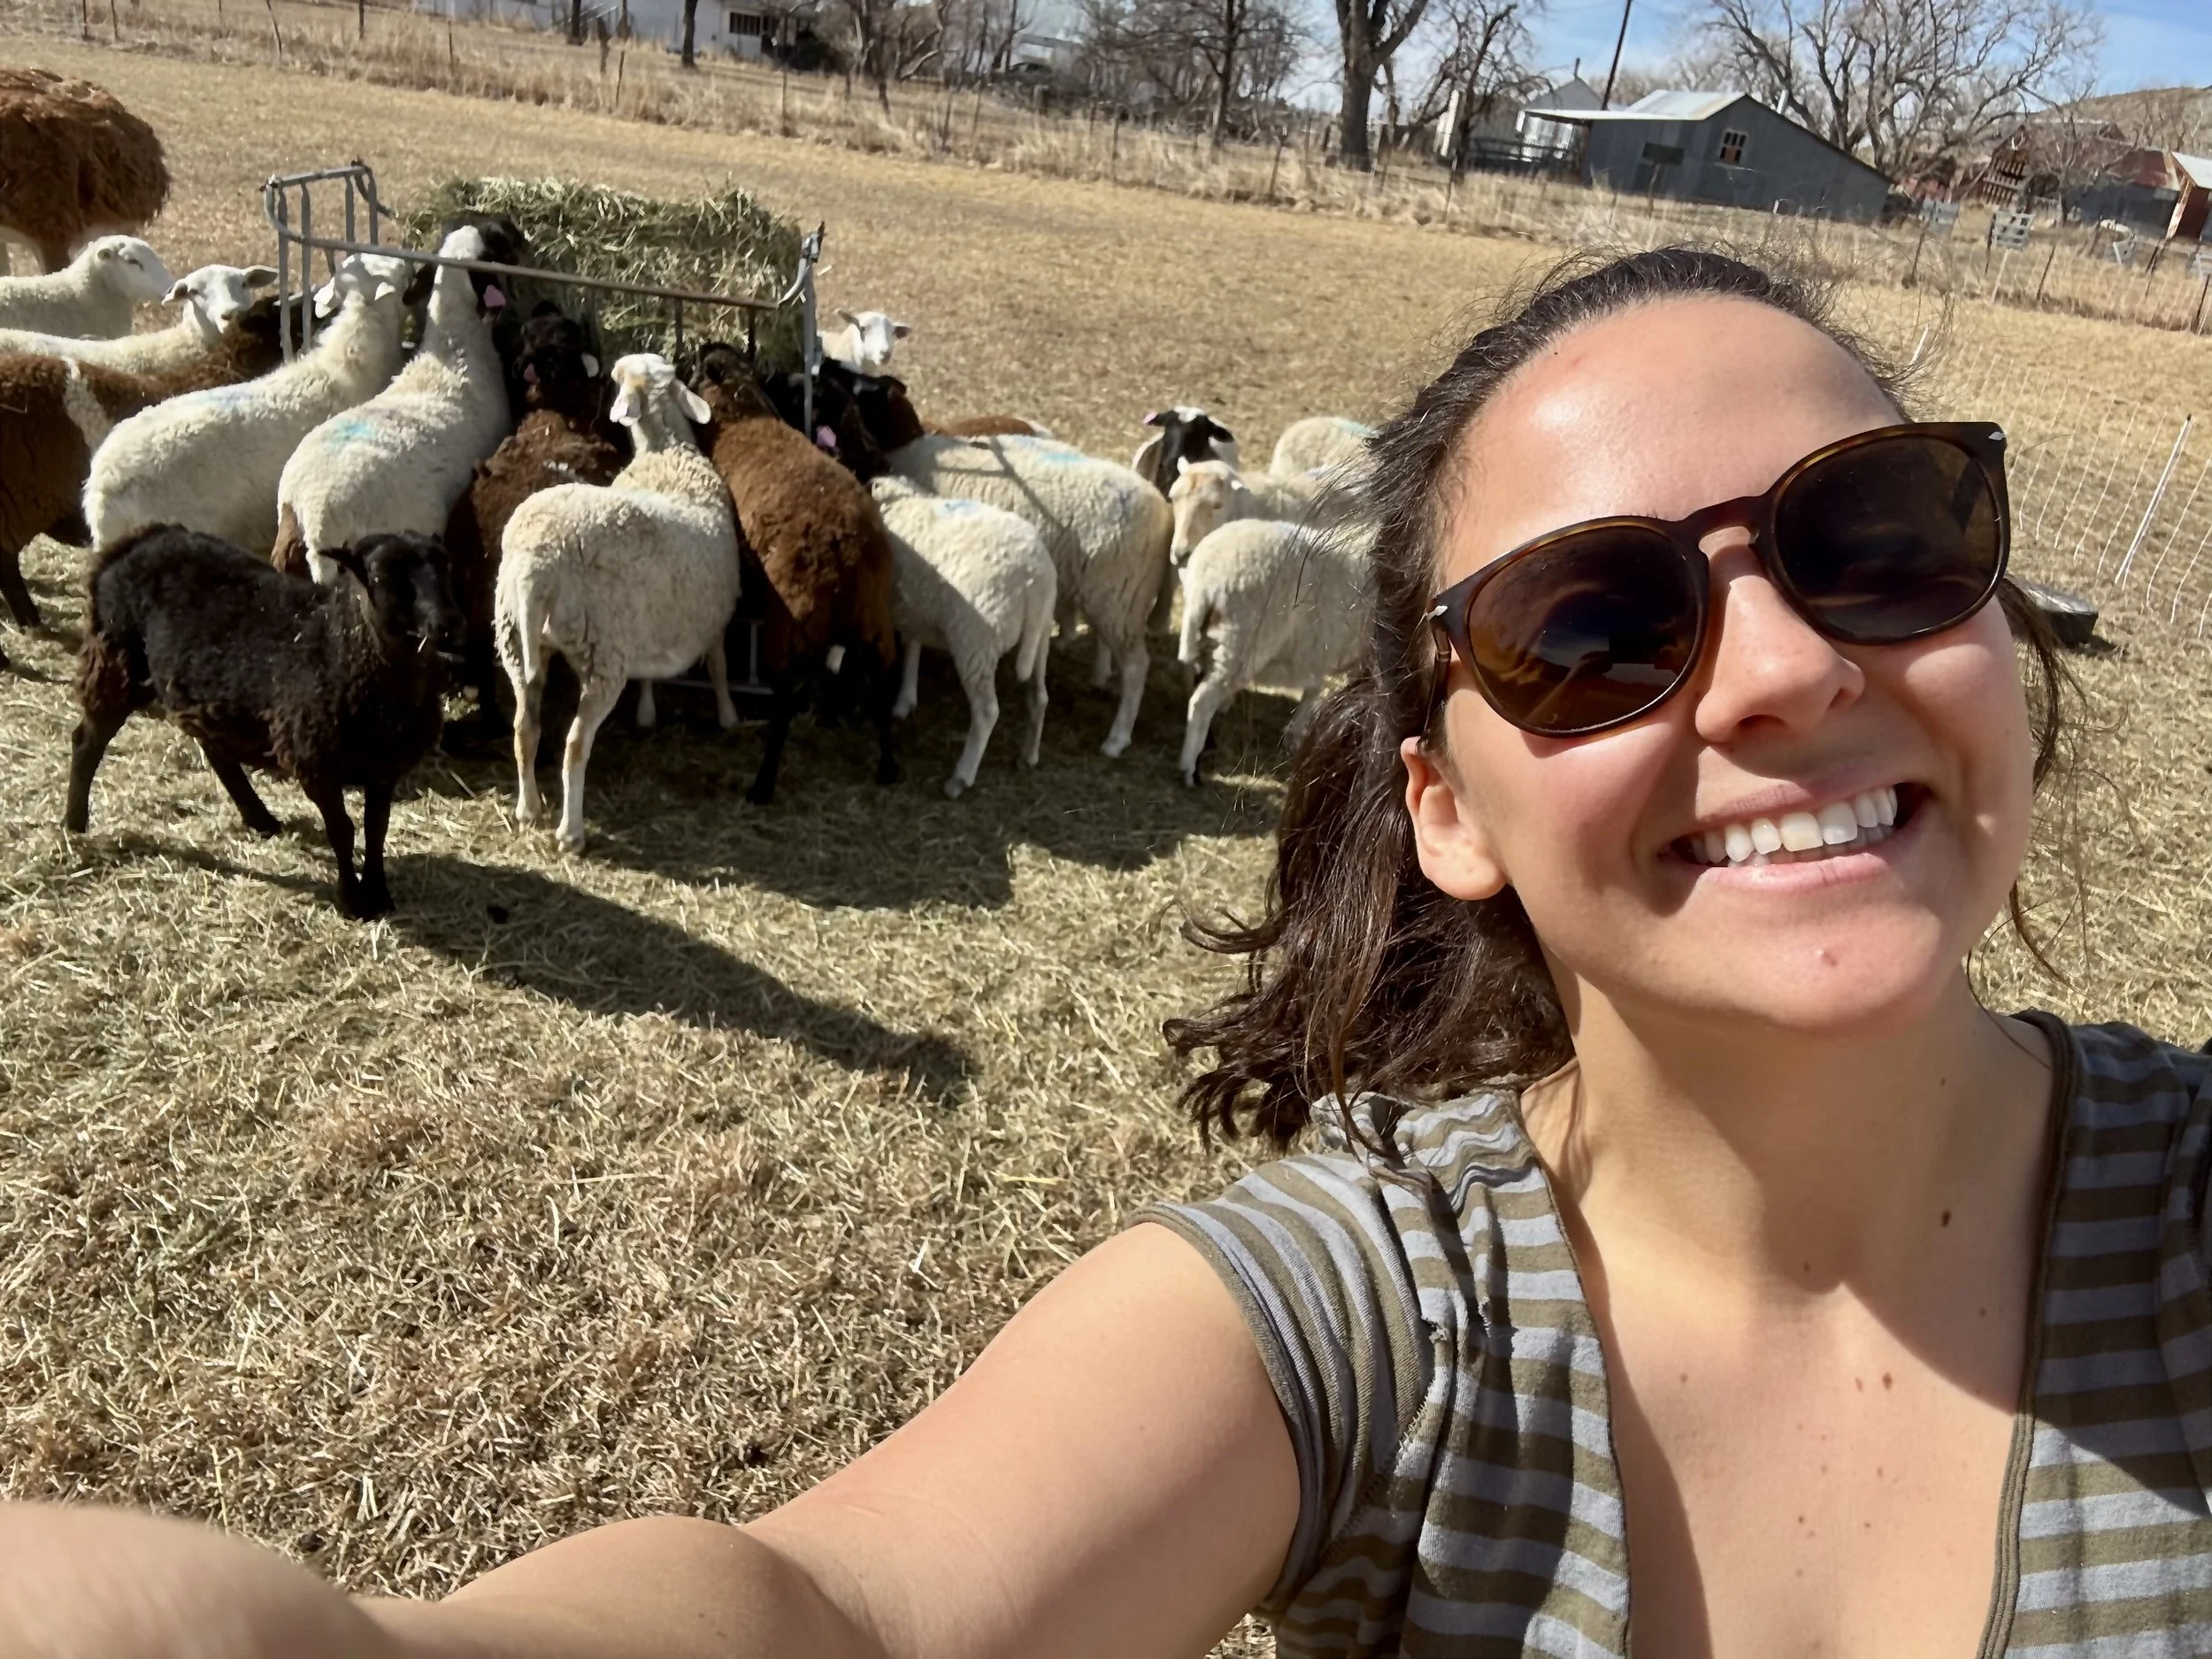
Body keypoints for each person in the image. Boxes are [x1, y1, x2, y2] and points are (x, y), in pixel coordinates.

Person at [7, 245, 2210, 1659]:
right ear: (1438, 802)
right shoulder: (1388, 1313)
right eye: (1592, 624)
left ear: (1998, 621)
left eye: (1878, 537)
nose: (1772, 674)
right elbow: (839, 1606)